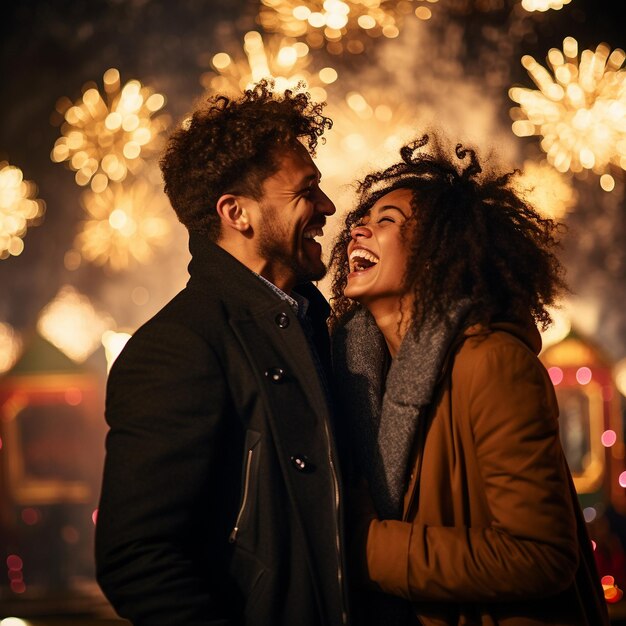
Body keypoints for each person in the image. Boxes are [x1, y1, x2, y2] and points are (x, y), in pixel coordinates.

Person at [94, 80, 350, 626]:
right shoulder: (177, 347)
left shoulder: (320, 328)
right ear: (238, 213)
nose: (328, 206)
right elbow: (137, 560)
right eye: (307, 191)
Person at [328, 133, 610, 625]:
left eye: (385, 221)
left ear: (437, 252)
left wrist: (365, 547)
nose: (356, 231)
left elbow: (541, 555)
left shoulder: (492, 364)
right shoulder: (356, 378)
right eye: (360, 222)